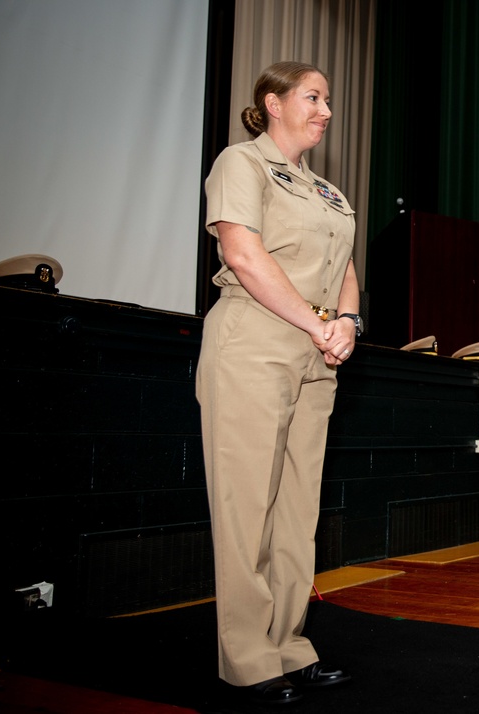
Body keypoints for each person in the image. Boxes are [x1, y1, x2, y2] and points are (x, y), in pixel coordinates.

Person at [196, 61, 360, 706]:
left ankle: (290, 644)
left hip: (316, 355)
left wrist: (348, 320)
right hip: (254, 342)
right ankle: (248, 658)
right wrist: (320, 324)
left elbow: (347, 267)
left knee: (297, 509)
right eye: (314, 97)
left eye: (328, 100)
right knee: (246, 509)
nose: (325, 110)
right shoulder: (242, 163)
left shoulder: (328, 192)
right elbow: (243, 254)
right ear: (274, 101)